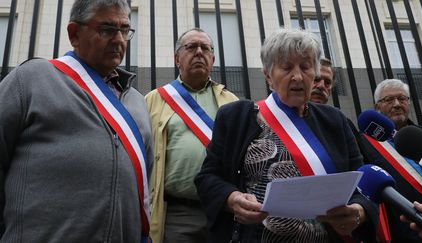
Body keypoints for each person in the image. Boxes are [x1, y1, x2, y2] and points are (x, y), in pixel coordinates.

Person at [195, 28, 377, 243]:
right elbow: (207, 178)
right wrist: (231, 198)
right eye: (287, 67)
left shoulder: (335, 120)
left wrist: (359, 211)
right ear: (268, 75)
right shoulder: (236, 117)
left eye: (306, 67)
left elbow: (362, 180)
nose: (298, 76)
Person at [0, 0, 153, 242]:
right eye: (107, 30)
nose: (119, 40)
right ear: (74, 33)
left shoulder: (137, 101)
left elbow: (144, 180)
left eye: (124, 30)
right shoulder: (31, 79)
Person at [145, 28, 238, 243]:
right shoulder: (153, 100)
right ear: (177, 58)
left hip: (224, 210)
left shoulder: (232, 101)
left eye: (205, 48)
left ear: (212, 59)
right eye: (191, 47)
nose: (199, 52)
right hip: (177, 214)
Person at [356, 79, 422, 243]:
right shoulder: (362, 144)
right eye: (389, 100)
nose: (397, 104)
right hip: (407, 231)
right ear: (377, 107)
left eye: (402, 98)